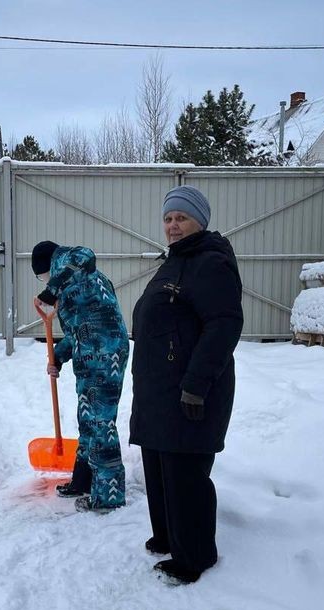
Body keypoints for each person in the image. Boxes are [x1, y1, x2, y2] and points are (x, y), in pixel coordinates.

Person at [130, 186, 243, 584]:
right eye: (168, 218)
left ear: (200, 221)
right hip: (158, 390)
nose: (173, 225)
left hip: (189, 390)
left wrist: (196, 383)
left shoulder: (209, 262)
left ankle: (193, 557)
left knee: (185, 475)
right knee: (161, 469)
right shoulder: (174, 263)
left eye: (181, 217)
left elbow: (224, 324)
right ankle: (168, 537)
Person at [32, 241, 130, 512]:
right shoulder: (72, 284)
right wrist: (58, 357)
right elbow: (79, 331)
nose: (43, 280)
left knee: (100, 422)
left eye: (41, 275)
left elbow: (86, 255)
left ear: (48, 267)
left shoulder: (78, 266)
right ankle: (83, 480)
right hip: (92, 353)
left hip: (105, 355)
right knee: (88, 419)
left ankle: (108, 496)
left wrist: (50, 290)